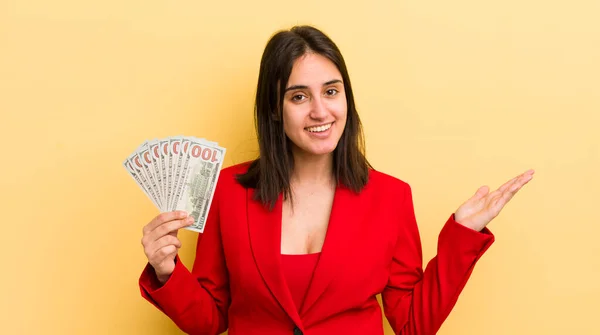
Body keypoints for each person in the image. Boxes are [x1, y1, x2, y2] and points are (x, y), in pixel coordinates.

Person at [138, 25, 534, 335]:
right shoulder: (227, 191)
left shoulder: (391, 197)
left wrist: (460, 238)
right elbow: (209, 321)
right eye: (298, 97)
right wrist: (166, 271)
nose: (320, 110)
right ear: (274, 110)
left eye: (331, 91)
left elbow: (413, 324)